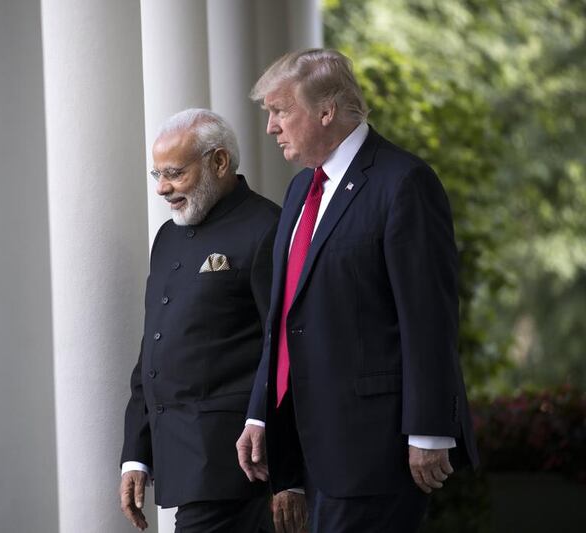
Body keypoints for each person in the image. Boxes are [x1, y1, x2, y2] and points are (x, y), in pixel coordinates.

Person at [235, 49, 480, 533]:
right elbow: (284, 317)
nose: (271, 127)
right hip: (309, 444)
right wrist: (260, 413)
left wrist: (429, 430)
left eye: (281, 111)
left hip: (376, 447)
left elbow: (428, 316)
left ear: (326, 111)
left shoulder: (404, 182)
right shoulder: (299, 191)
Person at [120, 109, 301, 532]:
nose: (163, 188)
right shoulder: (166, 237)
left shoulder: (268, 228)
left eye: (175, 173)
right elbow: (154, 346)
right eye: (157, 175)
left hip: (239, 466)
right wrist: (136, 452)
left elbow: (286, 349)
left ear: (219, 162)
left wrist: (290, 475)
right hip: (179, 460)